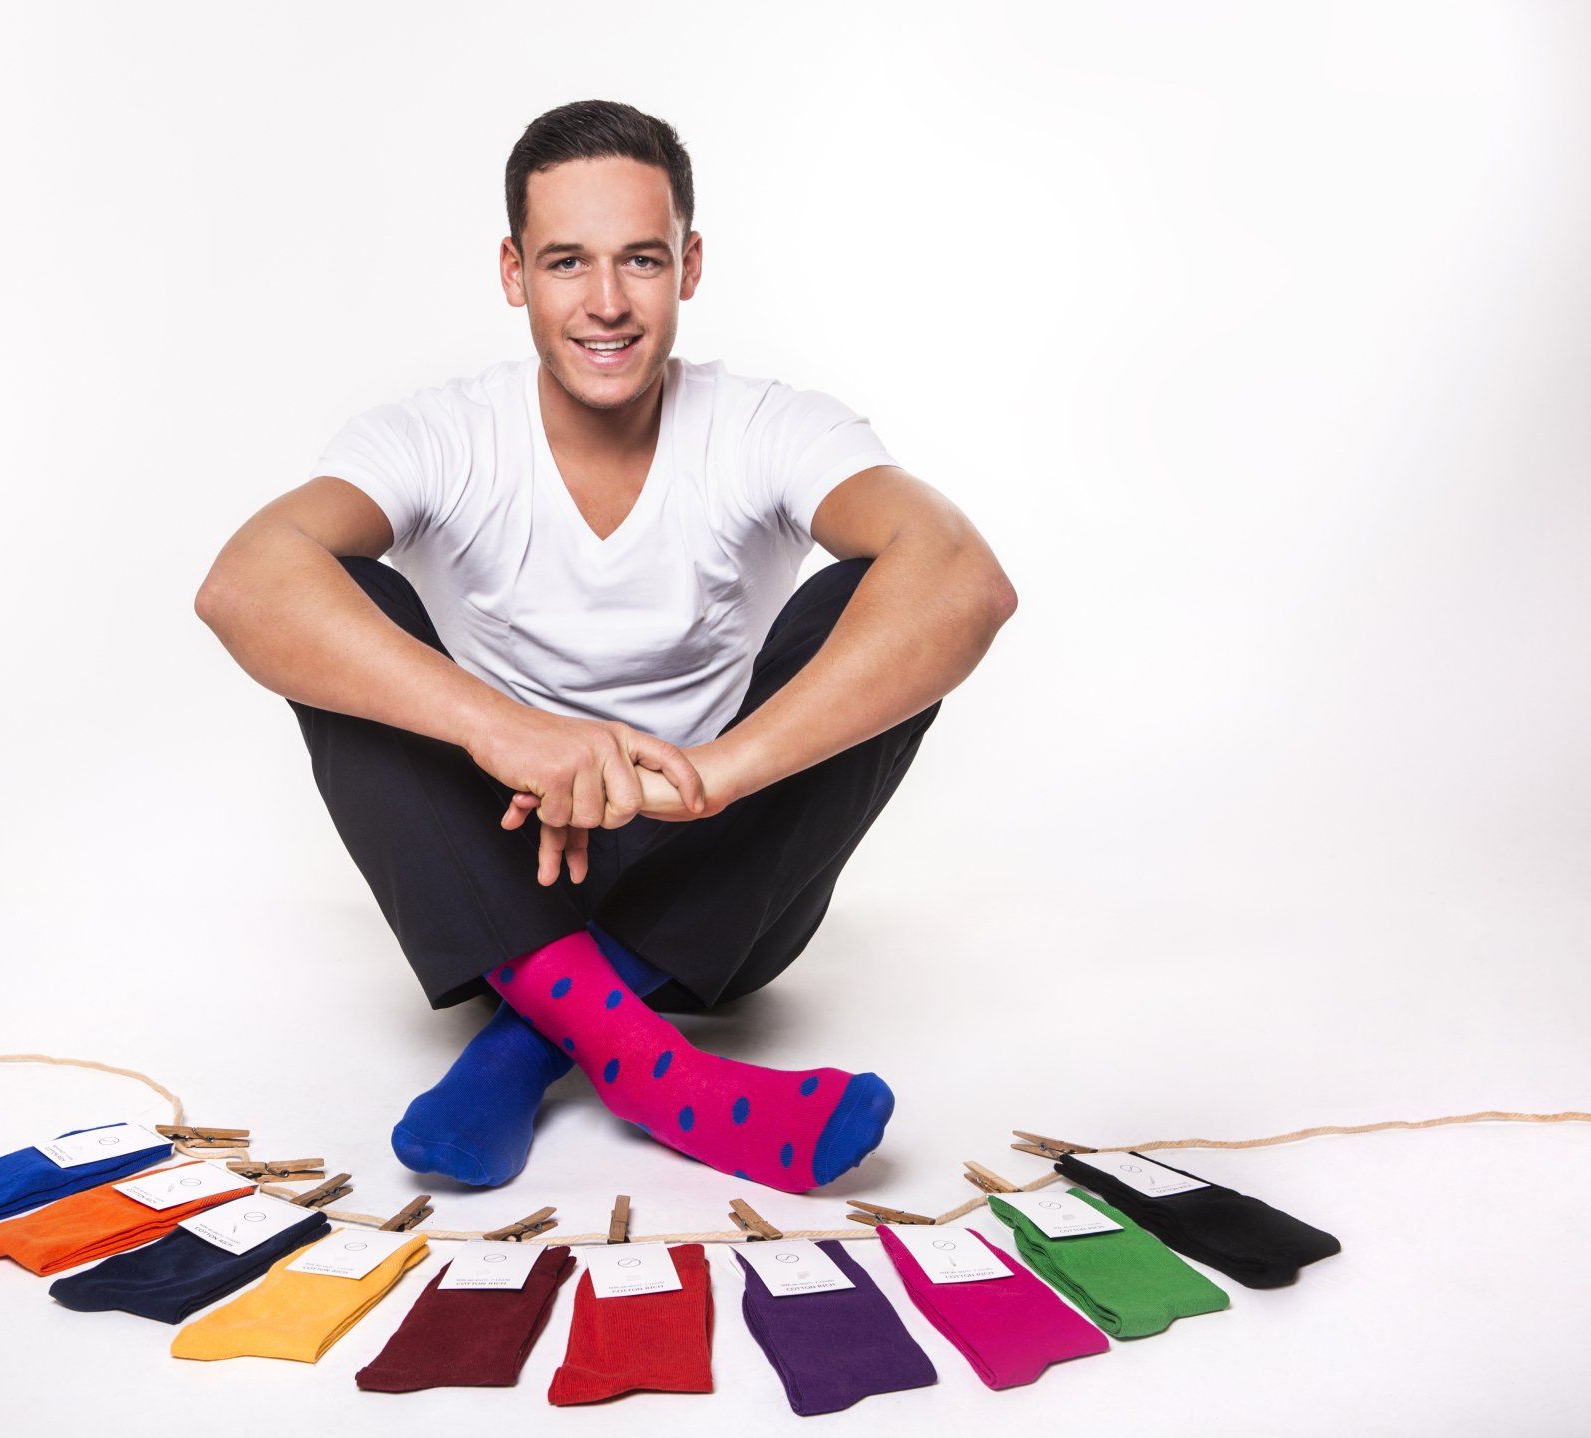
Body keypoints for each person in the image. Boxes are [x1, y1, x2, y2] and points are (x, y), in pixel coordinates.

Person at [194, 100, 1017, 1193]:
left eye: (641, 258)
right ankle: (653, 1069)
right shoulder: (439, 435)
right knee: (333, 599)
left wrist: (717, 778)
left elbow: (965, 579)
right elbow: (243, 583)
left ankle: (531, 1040)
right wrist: (508, 733)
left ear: (689, 265)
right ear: (514, 272)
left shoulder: (769, 425)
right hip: (495, 873)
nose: (608, 302)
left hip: (723, 884)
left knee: (887, 598)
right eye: (566, 262)